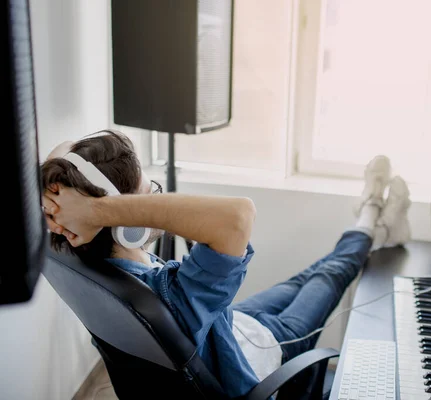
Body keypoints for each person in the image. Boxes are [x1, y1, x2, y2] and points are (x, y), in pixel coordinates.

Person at [41, 130, 411, 398]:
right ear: (128, 223)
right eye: (147, 193)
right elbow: (238, 215)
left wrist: (87, 210)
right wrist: (98, 209)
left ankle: (377, 230)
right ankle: (369, 215)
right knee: (332, 272)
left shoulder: (77, 252)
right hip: (256, 356)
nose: (155, 197)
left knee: (308, 275)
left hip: (228, 328)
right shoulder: (176, 295)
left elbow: (57, 157)